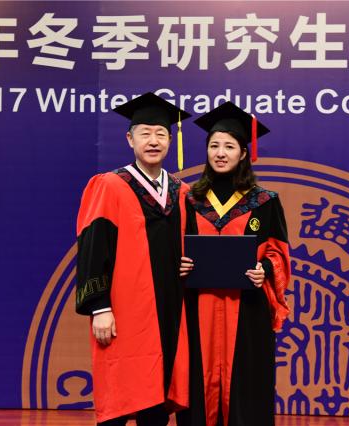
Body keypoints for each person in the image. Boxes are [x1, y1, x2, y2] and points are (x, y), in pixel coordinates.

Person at [75, 92, 192, 425]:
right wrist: (99, 307)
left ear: (170, 140)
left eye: (161, 134)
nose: (153, 141)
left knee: (157, 400)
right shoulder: (110, 186)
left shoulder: (181, 192)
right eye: (145, 133)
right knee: (120, 395)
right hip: (124, 310)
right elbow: (92, 248)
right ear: (130, 139)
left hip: (169, 307)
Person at [177, 102, 291, 426]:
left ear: (243, 153)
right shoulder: (189, 199)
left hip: (247, 310)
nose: (220, 153)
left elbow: (278, 253)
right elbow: (173, 248)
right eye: (214, 145)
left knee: (246, 386)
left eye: (229, 146)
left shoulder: (264, 201)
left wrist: (263, 270)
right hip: (198, 306)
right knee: (198, 384)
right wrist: (179, 264)